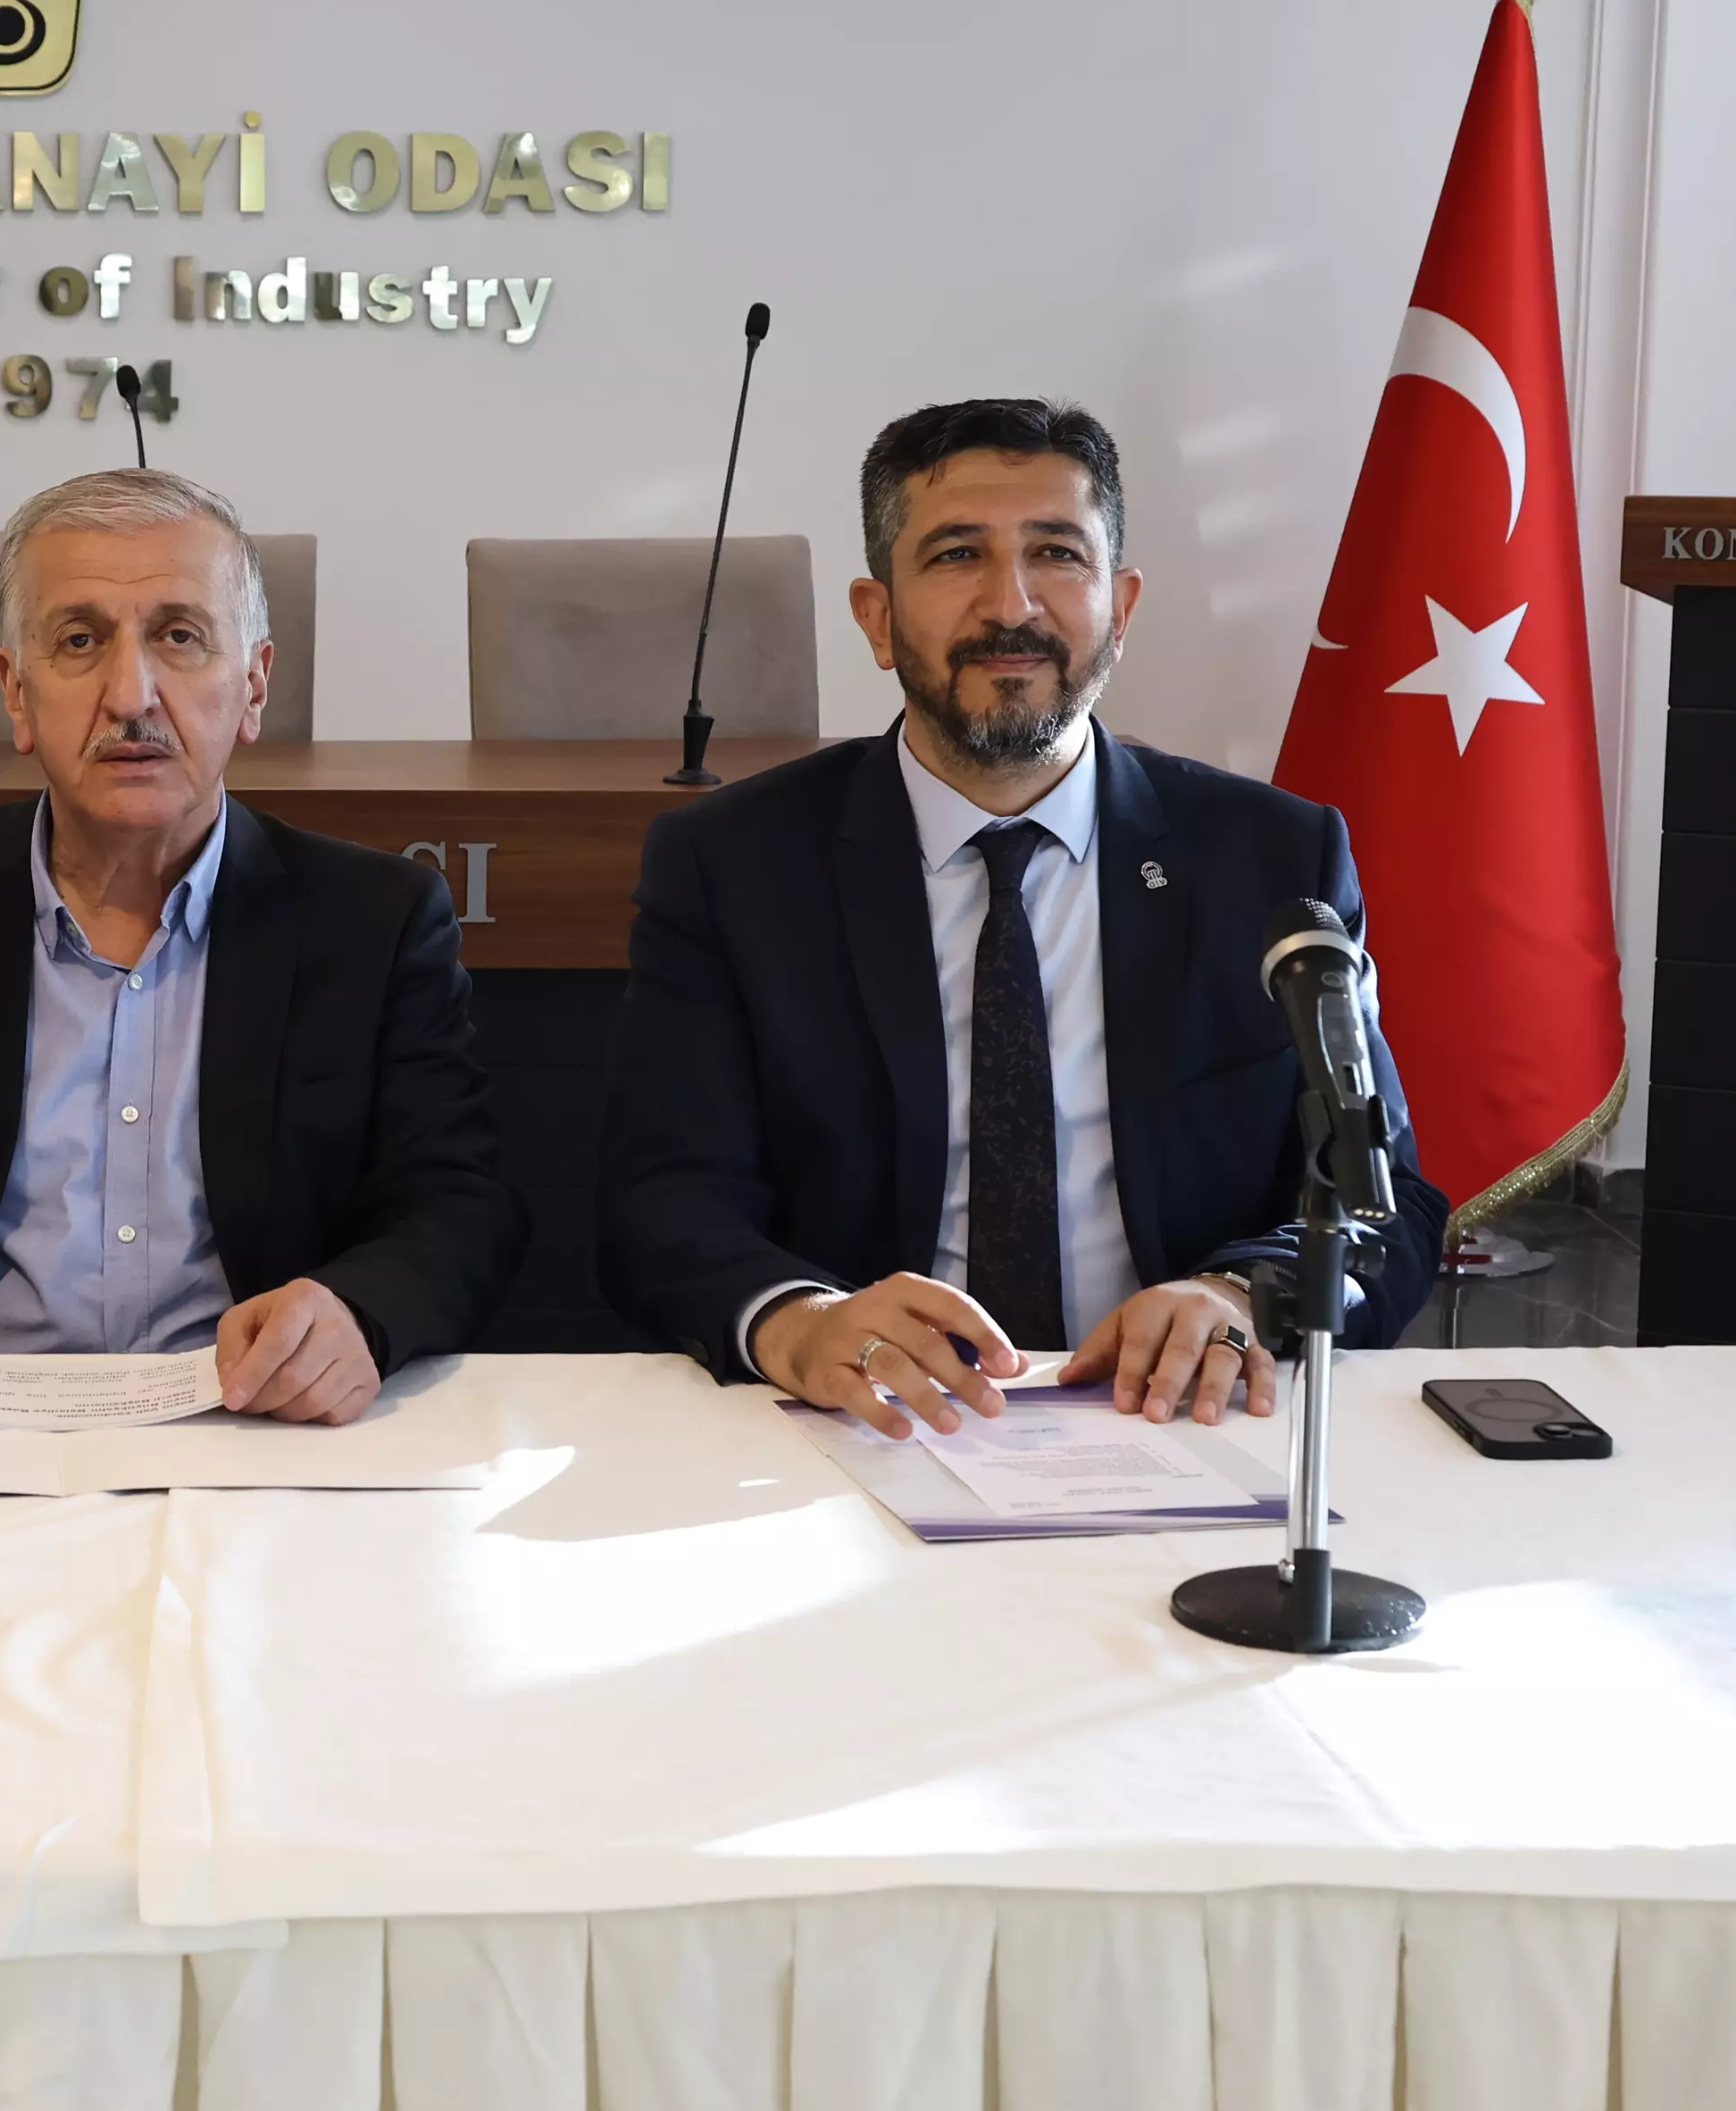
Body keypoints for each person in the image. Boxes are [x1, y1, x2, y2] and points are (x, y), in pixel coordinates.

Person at [600, 396, 1446, 1436]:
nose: (1013, 605)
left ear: (1121, 608)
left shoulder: (1270, 857)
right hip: (862, 1421)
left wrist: (1240, 1295)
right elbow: (660, 1196)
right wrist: (797, 1321)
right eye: (957, 555)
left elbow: (1382, 1198)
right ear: (876, 617)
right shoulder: (734, 864)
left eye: (1057, 553)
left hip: (1176, 1420)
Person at [0, 466, 522, 1421]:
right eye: (80, 640)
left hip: (256, 1429)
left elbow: (460, 1207)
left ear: (254, 684)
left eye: (180, 636)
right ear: (16, 693)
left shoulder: (374, 919)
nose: (132, 695)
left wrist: (361, 1314)